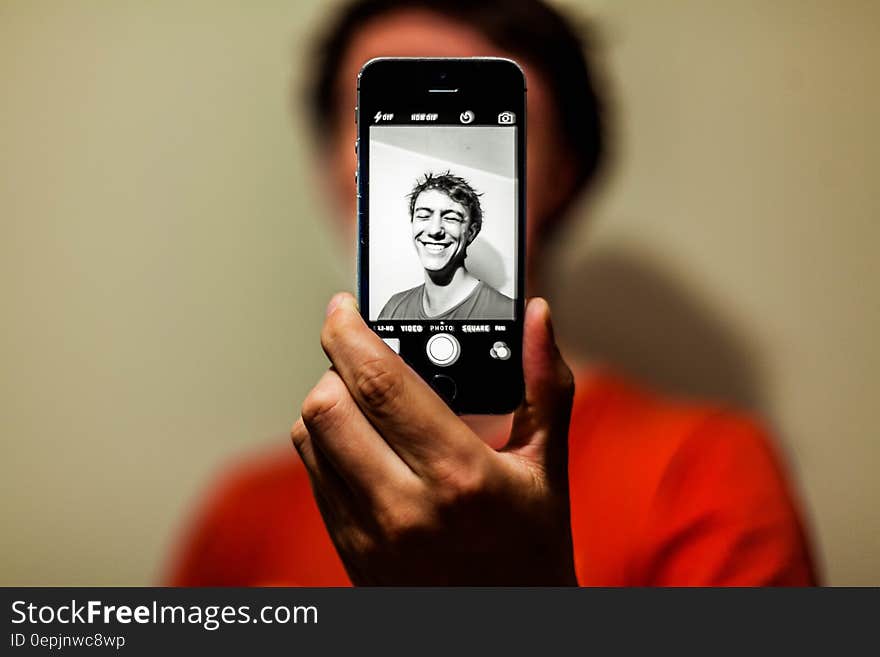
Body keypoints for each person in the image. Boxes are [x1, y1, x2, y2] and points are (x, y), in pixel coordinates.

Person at [165, 0, 818, 585]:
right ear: (332, 169)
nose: (428, 160)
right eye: (387, 123)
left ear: (563, 172)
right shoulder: (240, 518)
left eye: (473, 130)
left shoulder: (705, 473)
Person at [379, 171, 514, 320]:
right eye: (423, 216)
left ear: (470, 232)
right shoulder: (393, 309)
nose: (435, 230)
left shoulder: (507, 312)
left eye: (451, 218)